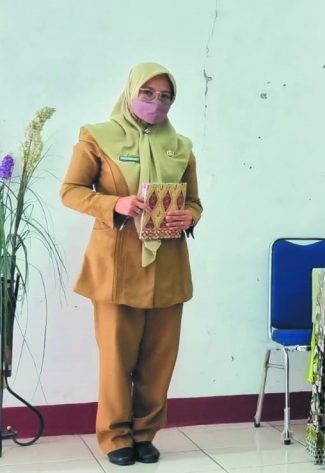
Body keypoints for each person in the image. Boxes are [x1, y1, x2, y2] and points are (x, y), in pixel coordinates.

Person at [60, 63, 202, 466]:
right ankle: (115, 436)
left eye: (166, 96)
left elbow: (194, 201)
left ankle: (144, 434)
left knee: (159, 359)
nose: (157, 102)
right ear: (130, 92)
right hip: (116, 265)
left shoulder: (181, 146)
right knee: (117, 359)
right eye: (148, 93)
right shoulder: (97, 137)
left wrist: (190, 216)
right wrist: (114, 203)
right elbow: (70, 191)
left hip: (167, 265)